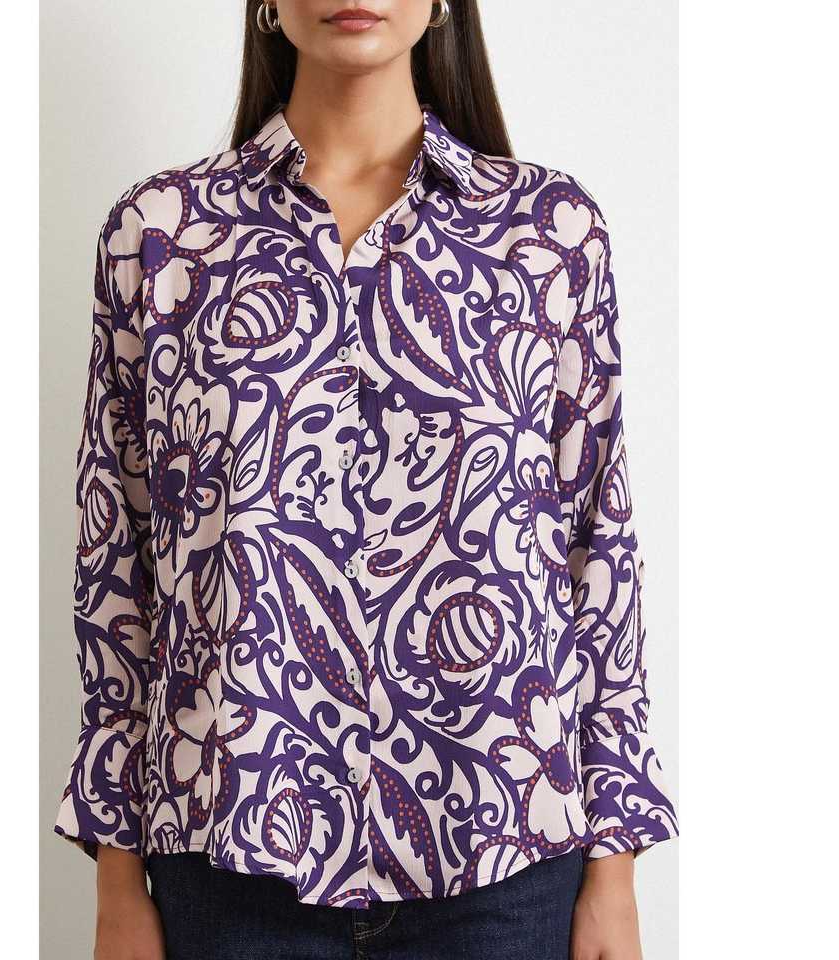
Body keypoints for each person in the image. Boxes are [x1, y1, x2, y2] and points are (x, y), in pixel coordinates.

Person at [53, 2, 679, 958]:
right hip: (230, 860)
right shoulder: (163, 236)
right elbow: (117, 568)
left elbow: (601, 549)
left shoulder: (547, 235)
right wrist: (116, 882)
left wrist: (616, 868)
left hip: (502, 858)